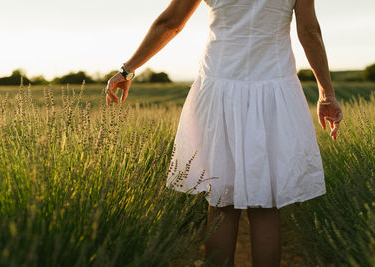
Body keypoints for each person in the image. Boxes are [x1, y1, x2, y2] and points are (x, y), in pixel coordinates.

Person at [105, 0, 343, 266]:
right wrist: (326, 94)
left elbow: (170, 23)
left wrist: (128, 69)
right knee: (266, 205)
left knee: (220, 200)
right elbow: (309, 32)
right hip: (273, 91)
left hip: (219, 89)